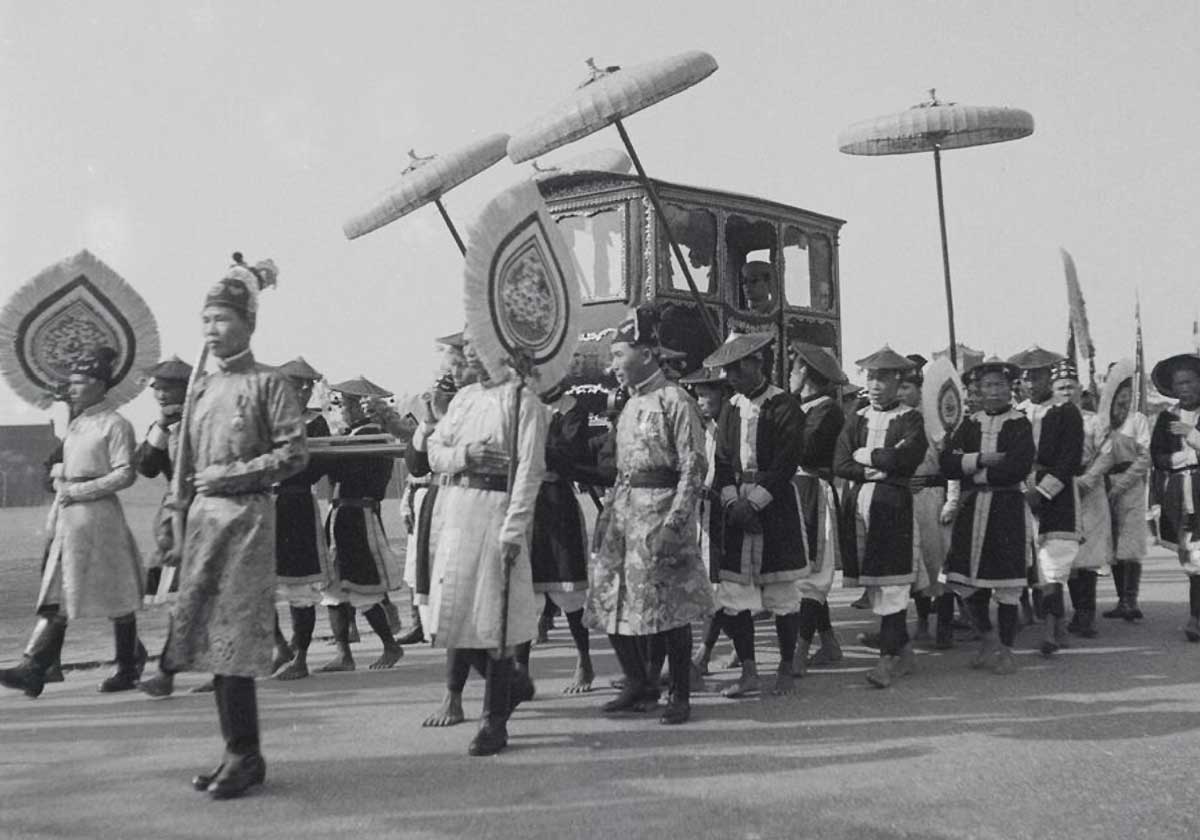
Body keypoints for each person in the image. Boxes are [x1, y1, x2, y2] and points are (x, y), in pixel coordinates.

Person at [163, 257, 307, 799]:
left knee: (234, 637)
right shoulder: (201, 389)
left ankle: (244, 755)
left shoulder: (269, 384)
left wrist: (228, 476)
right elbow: (184, 470)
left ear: (249, 324)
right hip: (203, 523)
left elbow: (294, 454)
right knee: (207, 636)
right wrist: (171, 519)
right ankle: (237, 751)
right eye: (205, 321)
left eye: (222, 319)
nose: (211, 330)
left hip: (247, 519)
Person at [586, 307, 713, 725]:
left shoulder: (676, 400)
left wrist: (675, 525)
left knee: (668, 608)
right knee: (611, 598)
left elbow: (694, 468)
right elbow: (622, 471)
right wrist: (606, 520)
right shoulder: (627, 406)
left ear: (644, 353)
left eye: (619, 354)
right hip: (624, 517)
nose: (613, 365)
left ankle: (678, 693)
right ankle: (638, 682)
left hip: (659, 517)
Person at [425, 336, 548, 755]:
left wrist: (514, 528)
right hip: (457, 509)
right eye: (467, 344)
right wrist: (466, 454)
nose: (470, 352)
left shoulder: (522, 401)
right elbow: (433, 451)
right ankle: (513, 681)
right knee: (459, 615)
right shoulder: (462, 399)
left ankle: (493, 720)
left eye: (479, 342)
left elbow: (530, 470)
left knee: (494, 619)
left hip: (496, 512)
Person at [1, 346, 146, 698]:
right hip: (69, 519)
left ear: (100, 385)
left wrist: (79, 490)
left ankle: (127, 666)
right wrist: (59, 478)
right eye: (72, 382)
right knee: (56, 590)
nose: (74, 388)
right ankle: (36, 667)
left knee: (117, 592)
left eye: (81, 382)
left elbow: (125, 474)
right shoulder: (78, 424)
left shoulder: (116, 424)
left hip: (101, 518)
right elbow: (66, 466)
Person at [705, 333, 807, 697]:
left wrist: (756, 503)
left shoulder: (784, 405)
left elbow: (786, 462)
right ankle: (749, 670)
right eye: (728, 369)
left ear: (758, 362)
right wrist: (733, 503)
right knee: (735, 593)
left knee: (781, 591)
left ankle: (784, 666)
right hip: (737, 507)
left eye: (738, 367)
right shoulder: (730, 408)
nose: (732, 375)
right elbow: (721, 460)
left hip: (774, 504)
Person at [833, 346, 926, 689]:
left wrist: (866, 454)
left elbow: (908, 459)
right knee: (876, 586)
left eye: (883, 378)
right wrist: (873, 467)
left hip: (893, 510)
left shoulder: (910, 418)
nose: (875, 385)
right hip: (858, 508)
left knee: (893, 584)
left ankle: (886, 662)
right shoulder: (857, 416)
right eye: (871, 377)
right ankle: (904, 652)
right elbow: (840, 462)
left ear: (898, 380)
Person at [940, 358, 1036, 674]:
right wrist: (981, 459)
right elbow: (948, 464)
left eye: (1000, 385)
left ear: (1011, 389)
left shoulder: (1020, 423)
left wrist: (974, 472)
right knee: (965, 582)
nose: (994, 391)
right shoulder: (969, 424)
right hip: (971, 509)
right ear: (978, 391)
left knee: (1006, 584)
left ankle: (1007, 650)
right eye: (987, 386)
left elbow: (1017, 467)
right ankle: (987, 637)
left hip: (1006, 509)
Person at [318, 377, 405, 672]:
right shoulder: (354, 434)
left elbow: (344, 469)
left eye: (341, 404)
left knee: (361, 586)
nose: (338, 410)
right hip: (341, 513)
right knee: (333, 588)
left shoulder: (369, 435)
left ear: (357, 407)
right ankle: (344, 654)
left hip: (357, 515)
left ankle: (390, 646)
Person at [1010, 348, 1084, 657]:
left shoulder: (1065, 411)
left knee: (1054, 562)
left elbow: (1070, 459)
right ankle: (1032, 615)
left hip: (1058, 492)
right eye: (1026, 376)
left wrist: (1042, 492)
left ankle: (1053, 627)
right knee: (1027, 559)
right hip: (1021, 488)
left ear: (1049, 376)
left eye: (1038, 375)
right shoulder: (1018, 412)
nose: (1031, 381)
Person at [530, 381, 595, 693]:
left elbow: (569, 455)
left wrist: (529, 445)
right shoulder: (521, 404)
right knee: (522, 588)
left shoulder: (572, 410)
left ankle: (584, 658)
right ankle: (519, 669)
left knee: (567, 585)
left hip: (556, 501)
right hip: (522, 501)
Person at [270, 357, 333, 680]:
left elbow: (316, 467)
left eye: (308, 385)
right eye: (297, 384)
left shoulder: (316, 423)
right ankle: (279, 644)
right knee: (258, 584)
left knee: (300, 587)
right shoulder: (266, 420)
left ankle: (301, 656)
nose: (304, 391)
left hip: (296, 506)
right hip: (266, 505)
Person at [787, 342, 848, 673]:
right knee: (804, 571)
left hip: (814, 492)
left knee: (812, 575)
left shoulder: (827, 410)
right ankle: (828, 642)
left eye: (793, 369)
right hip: (797, 490)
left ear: (805, 372)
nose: (789, 376)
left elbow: (805, 450)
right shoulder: (807, 407)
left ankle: (800, 649)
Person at [897, 355, 959, 647]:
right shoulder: (899, 419)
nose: (901, 393)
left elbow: (951, 463)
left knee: (940, 564)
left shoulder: (935, 419)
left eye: (907, 387)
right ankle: (921, 622)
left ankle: (944, 625)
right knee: (916, 562)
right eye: (899, 387)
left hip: (935, 498)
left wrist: (952, 500)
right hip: (908, 498)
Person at [680, 366, 735, 679]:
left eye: (706, 394)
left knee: (719, 585)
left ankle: (704, 653)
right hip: (703, 514)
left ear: (722, 393)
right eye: (697, 395)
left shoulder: (729, 427)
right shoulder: (704, 428)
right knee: (711, 583)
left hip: (725, 512)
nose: (700, 401)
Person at [1149, 352, 1200, 641]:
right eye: (1179, 383)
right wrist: (1183, 457)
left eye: (1190, 381)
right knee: (1189, 556)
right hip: (1180, 492)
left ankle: (1195, 617)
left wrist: (1192, 435)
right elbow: (1158, 456)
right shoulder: (1167, 417)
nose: (1184, 388)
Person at [136, 356, 193, 602]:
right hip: (174, 509)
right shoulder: (158, 427)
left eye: (168, 388)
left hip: (205, 504)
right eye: (157, 389)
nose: (161, 395)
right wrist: (161, 426)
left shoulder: (204, 422)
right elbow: (146, 467)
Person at [1098, 359, 1151, 621]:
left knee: (1130, 542)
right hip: (1104, 484)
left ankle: (1131, 599)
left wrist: (1122, 483)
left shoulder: (1137, 419)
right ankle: (1121, 599)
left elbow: (1144, 458)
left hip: (1129, 486)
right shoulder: (1102, 420)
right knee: (1114, 541)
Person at [1065, 366, 1111, 639]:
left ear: (1080, 391)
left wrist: (1089, 479)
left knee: (1089, 555)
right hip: (1062, 489)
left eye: (1071, 387)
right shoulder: (1049, 419)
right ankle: (1071, 612)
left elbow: (1107, 453)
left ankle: (1086, 615)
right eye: (1061, 388)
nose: (1067, 393)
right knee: (1068, 554)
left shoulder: (1094, 421)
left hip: (1090, 491)